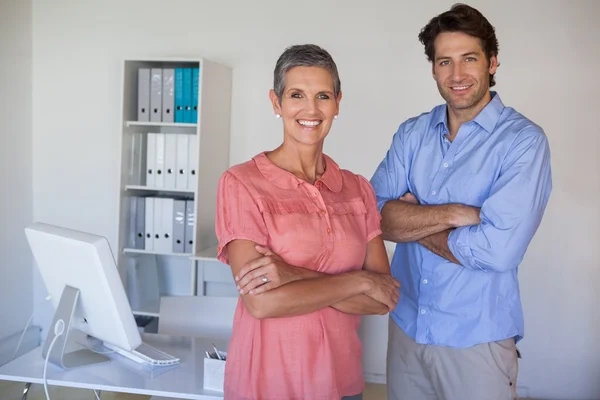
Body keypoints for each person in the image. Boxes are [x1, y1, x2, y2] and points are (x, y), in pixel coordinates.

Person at [370, 4, 552, 400]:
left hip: (477, 339)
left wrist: (412, 222)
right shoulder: (412, 133)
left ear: (492, 61)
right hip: (408, 326)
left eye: (469, 59)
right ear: (433, 69)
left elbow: (496, 250)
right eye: (444, 61)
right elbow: (373, 217)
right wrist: (454, 215)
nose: (457, 75)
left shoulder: (523, 142)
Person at [215, 44, 400, 400]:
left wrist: (293, 276)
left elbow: (382, 299)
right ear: (276, 102)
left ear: (337, 103)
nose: (311, 109)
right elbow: (263, 303)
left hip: (342, 380)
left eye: (323, 96)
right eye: (296, 95)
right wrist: (360, 281)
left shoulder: (357, 189)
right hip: (268, 384)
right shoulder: (241, 184)